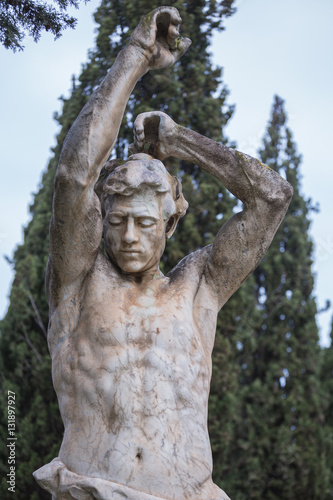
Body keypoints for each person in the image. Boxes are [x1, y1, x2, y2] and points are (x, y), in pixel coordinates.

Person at [33, 6, 293, 500]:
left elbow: (272, 198)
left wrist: (181, 142)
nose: (129, 235)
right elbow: (73, 176)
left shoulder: (197, 289)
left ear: (171, 223)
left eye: (145, 223)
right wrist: (137, 56)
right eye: (117, 221)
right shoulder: (78, 282)